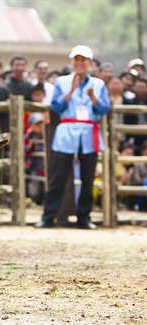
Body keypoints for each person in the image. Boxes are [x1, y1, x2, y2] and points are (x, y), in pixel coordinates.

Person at [35, 45, 111, 230]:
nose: (79, 63)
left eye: (83, 60)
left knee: (88, 177)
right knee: (57, 177)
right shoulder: (61, 82)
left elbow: (104, 109)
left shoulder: (99, 84)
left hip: (88, 132)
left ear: (89, 63)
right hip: (67, 130)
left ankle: (84, 218)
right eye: (76, 60)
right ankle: (48, 216)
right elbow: (56, 107)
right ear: (72, 62)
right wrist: (71, 91)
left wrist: (93, 97)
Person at [24, 113, 46, 205]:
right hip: (33, 164)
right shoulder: (29, 135)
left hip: (43, 164)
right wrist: (30, 145)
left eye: (41, 124)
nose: (39, 126)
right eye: (37, 124)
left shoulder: (45, 134)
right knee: (34, 184)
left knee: (45, 183)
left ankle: (43, 201)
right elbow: (24, 150)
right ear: (31, 125)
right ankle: (34, 200)